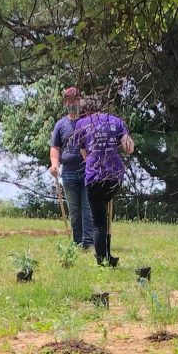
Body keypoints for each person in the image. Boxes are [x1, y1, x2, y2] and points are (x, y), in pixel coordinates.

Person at [75, 95, 134, 267]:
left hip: (94, 175)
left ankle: (102, 260)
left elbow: (85, 155)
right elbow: (129, 149)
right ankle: (108, 255)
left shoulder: (81, 124)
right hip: (114, 175)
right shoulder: (116, 121)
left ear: (85, 110)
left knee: (99, 222)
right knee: (105, 214)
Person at [49, 87, 94, 252]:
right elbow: (55, 148)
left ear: (79, 101)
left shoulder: (89, 123)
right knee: (74, 210)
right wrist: (54, 164)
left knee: (88, 207)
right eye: (69, 100)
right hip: (68, 171)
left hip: (88, 170)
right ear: (65, 103)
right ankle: (77, 242)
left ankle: (88, 243)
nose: (72, 103)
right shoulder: (60, 124)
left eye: (75, 100)